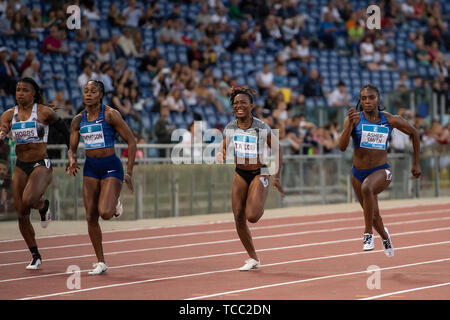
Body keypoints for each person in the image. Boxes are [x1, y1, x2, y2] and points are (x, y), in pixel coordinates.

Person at [338, 84, 421, 257]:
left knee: (367, 188)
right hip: (358, 174)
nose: (367, 101)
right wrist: (348, 126)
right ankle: (384, 236)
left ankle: (367, 234)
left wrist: (416, 163)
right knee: (374, 215)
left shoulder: (389, 119)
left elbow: (414, 133)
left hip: (382, 170)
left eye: (371, 97)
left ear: (378, 99)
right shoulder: (354, 119)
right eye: (363, 98)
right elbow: (341, 147)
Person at [66, 80, 136, 275]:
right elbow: (72, 149)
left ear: (100, 95)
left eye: (93, 91)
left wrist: (129, 172)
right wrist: (72, 160)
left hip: (111, 168)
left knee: (105, 213)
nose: (88, 94)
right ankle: (101, 261)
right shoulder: (78, 120)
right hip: (90, 169)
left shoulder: (110, 114)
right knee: (90, 216)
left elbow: (131, 141)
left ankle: (114, 201)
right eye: (85, 91)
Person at [0, 77, 70, 269]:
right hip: (21, 165)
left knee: (29, 200)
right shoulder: (8, 114)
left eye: (24, 90)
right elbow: (3, 128)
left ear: (34, 93)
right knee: (21, 213)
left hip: (41, 163)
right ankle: (35, 254)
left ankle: (42, 205)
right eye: (17, 90)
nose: (20, 93)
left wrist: (71, 153)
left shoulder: (43, 112)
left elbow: (64, 129)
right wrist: (2, 133)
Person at [218, 86, 285, 271]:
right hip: (240, 172)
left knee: (252, 216)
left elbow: (278, 149)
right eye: (236, 103)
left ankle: (258, 199)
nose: (239, 106)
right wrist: (221, 152)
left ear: (251, 105)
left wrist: (276, 176)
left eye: (243, 103)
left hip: (260, 172)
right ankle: (253, 258)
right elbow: (224, 146)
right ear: (232, 106)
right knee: (238, 217)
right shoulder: (230, 127)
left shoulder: (260, 127)